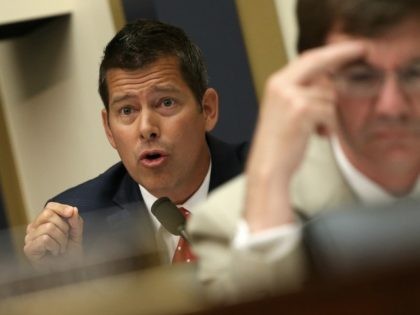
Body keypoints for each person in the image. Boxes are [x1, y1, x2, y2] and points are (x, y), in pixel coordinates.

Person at [188, 0, 420, 304]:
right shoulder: (229, 225)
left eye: (415, 72)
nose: (392, 106)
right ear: (312, 80)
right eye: (361, 77)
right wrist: (270, 179)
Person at [23, 20, 248, 270]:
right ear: (109, 129)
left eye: (165, 103)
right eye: (127, 110)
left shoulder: (269, 182)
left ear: (207, 109)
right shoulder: (82, 223)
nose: (146, 129)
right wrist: (63, 280)